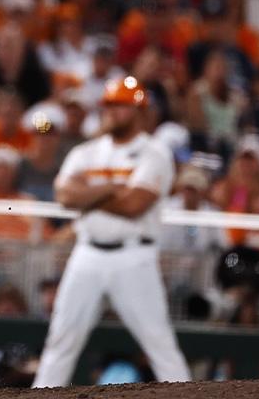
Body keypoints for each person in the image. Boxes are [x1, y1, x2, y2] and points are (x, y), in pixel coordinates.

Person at [33, 77, 190, 387]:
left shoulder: (154, 152)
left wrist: (87, 196)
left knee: (160, 345)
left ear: (140, 111)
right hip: (87, 254)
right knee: (61, 341)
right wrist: (110, 188)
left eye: (122, 106)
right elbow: (64, 197)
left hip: (134, 256)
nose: (113, 112)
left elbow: (134, 205)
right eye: (110, 105)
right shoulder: (87, 151)